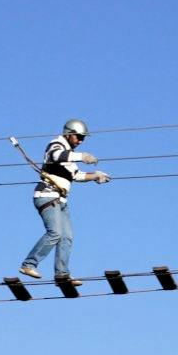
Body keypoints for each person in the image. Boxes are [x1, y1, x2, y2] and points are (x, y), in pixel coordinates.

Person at [20, 119, 110, 283]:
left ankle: (62, 274)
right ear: (69, 134)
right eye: (79, 137)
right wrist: (81, 156)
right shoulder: (57, 144)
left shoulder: (69, 154)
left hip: (61, 200)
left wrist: (95, 176)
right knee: (55, 233)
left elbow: (77, 175)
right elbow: (54, 156)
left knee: (67, 237)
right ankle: (28, 264)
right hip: (47, 195)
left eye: (83, 138)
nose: (81, 141)